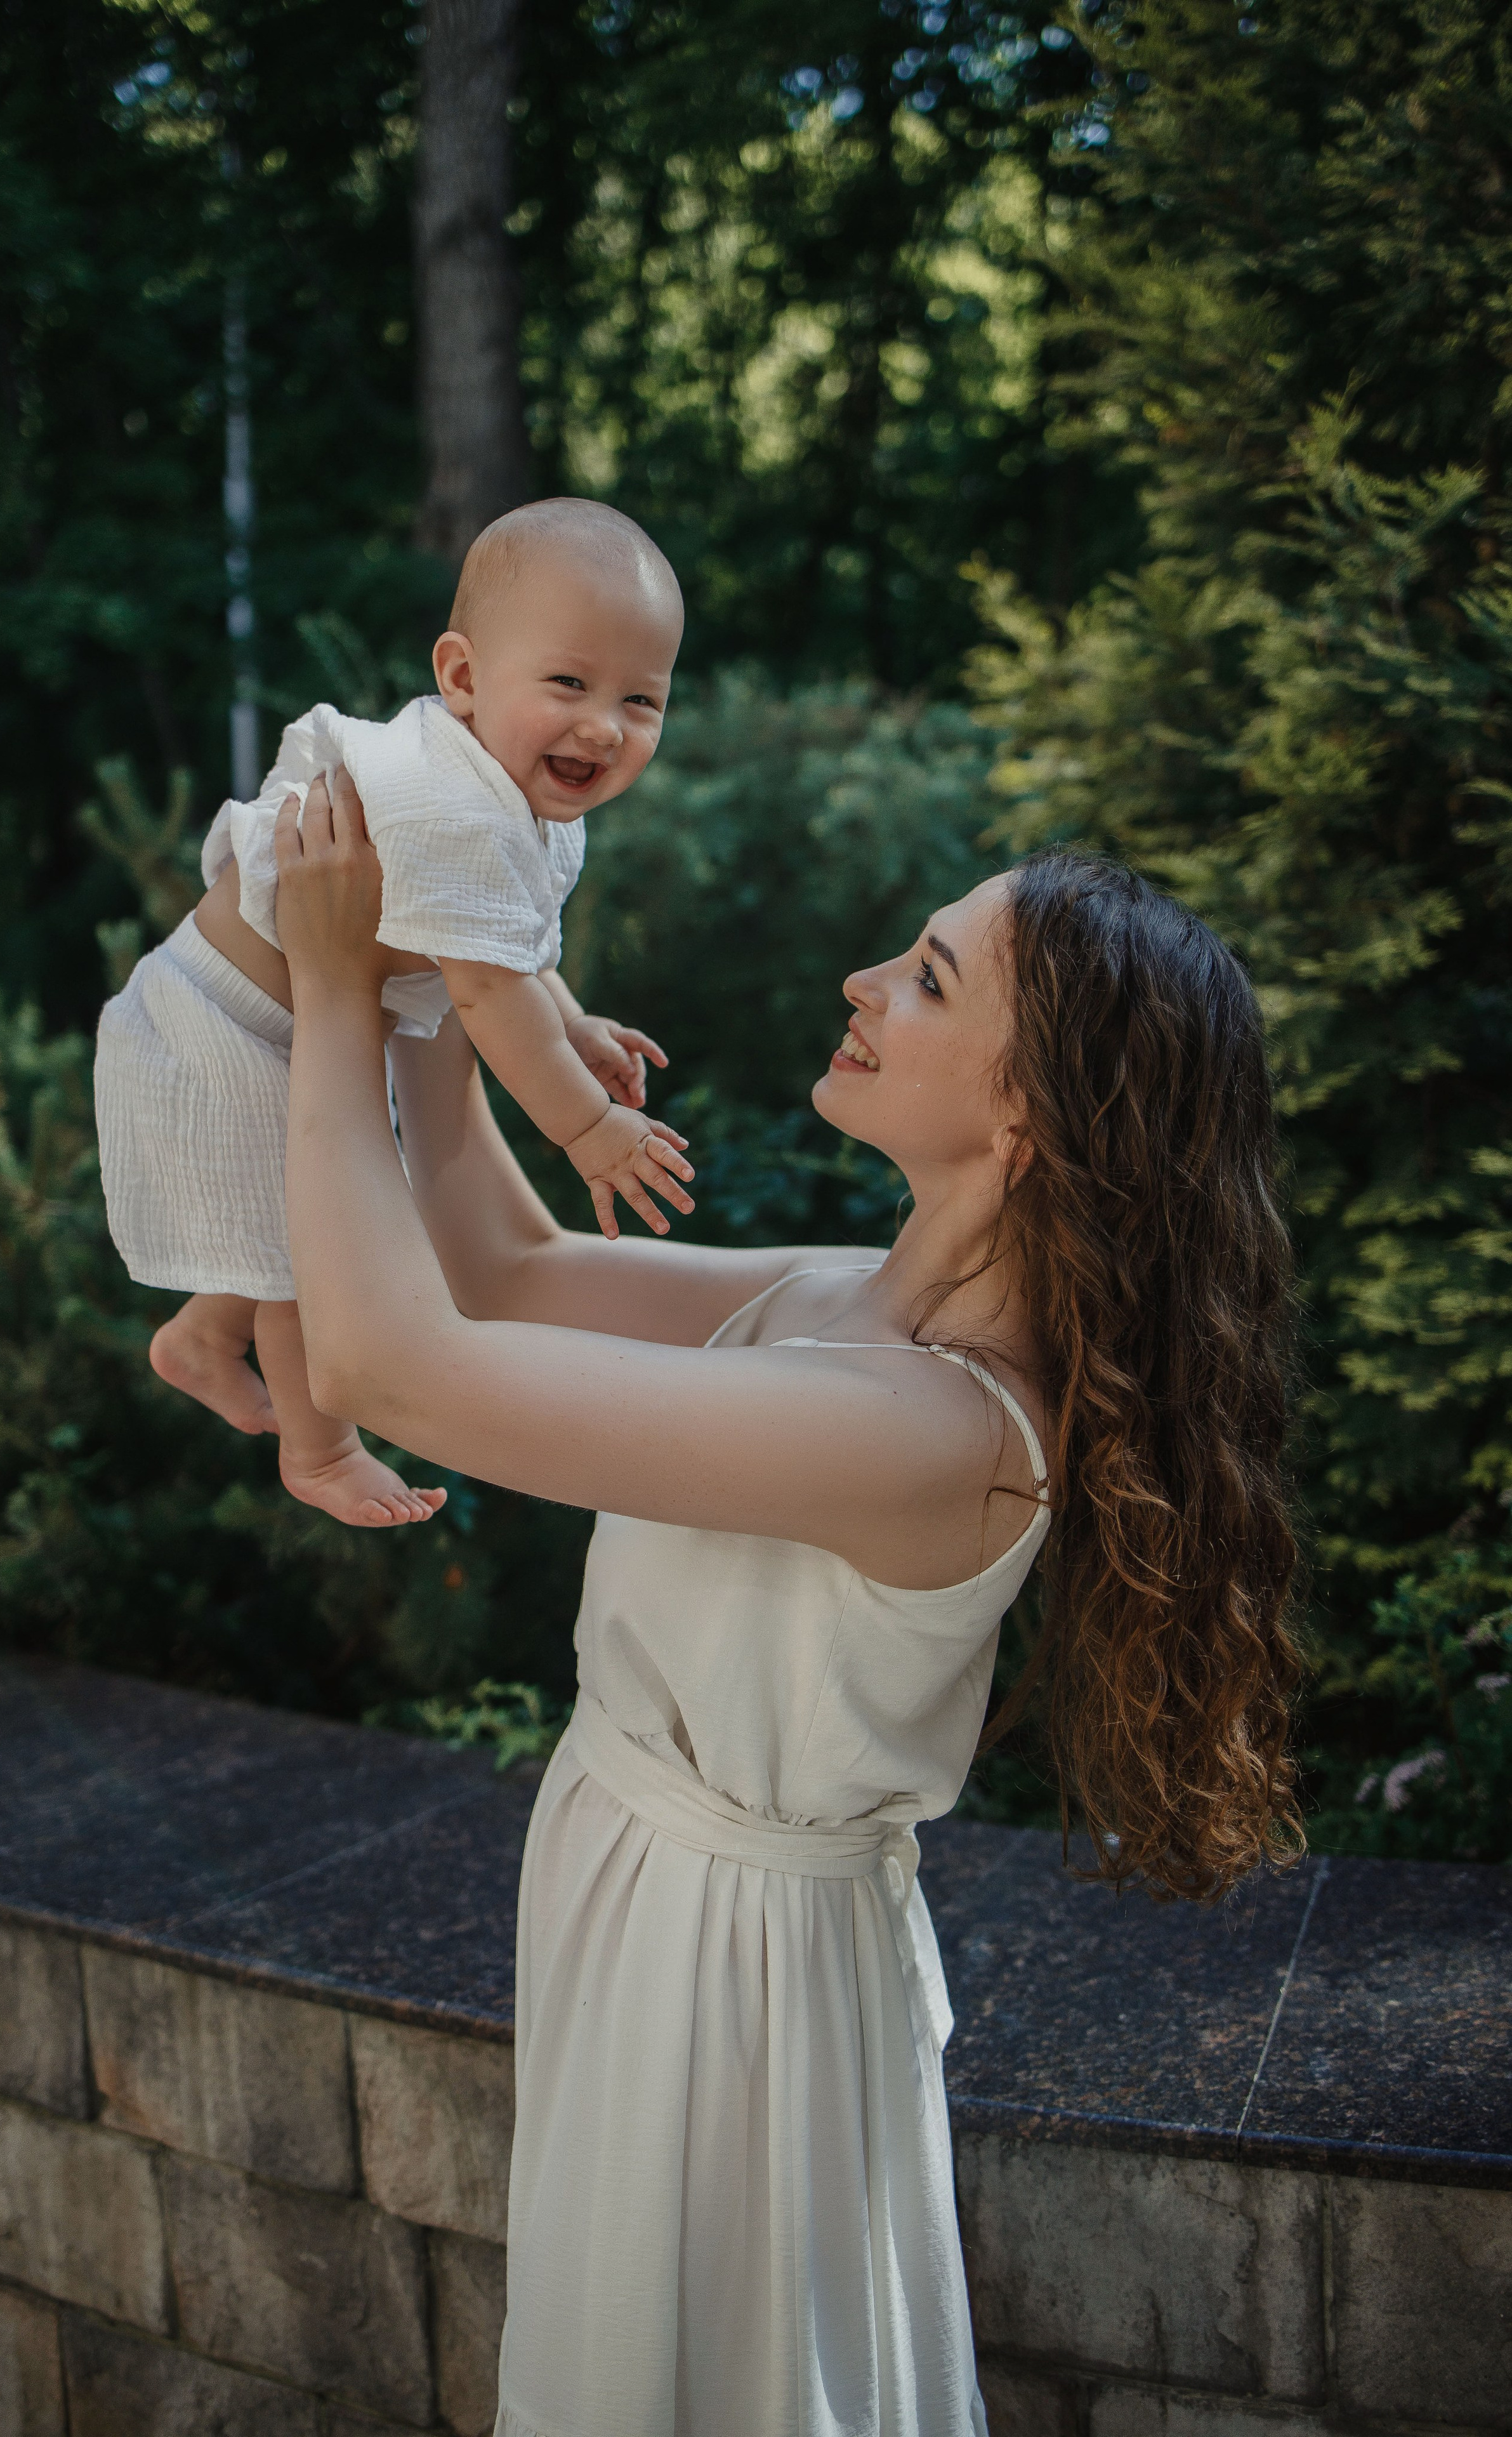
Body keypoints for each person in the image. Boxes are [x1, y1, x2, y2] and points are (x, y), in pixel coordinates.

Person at [273, 773, 1303, 2437]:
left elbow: (398, 1368)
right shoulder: (842, 1302)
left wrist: (327, 991)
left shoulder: (946, 1435)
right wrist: (432, 977)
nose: (862, 985)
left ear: (1026, 1120)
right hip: (647, 1908)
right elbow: (499, 1271)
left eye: (927, 975)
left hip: (730, 1993)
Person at [93, 498, 692, 1529]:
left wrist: (576, 1022)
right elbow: (486, 992)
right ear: (462, 676)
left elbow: (509, 948)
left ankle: (201, 1337)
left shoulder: (520, 799)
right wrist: (588, 1132)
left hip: (280, 1024)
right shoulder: (453, 805)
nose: (605, 725)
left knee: (294, 1218)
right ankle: (319, 1452)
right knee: (302, 1243)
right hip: (215, 1023)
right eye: (569, 683)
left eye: (642, 699)